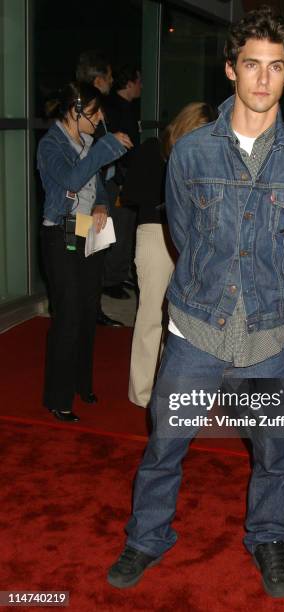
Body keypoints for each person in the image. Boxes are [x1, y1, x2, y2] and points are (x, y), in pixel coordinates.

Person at [107, 7, 284, 599]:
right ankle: (148, 537)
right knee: (165, 445)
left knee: (273, 455)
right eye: (251, 65)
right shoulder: (193, 154)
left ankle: (270, 536)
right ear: (231, 70)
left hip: (265, 338)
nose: (262, 78)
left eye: (275, 67)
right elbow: (182, 232)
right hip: (195, 332)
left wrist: (264, 289)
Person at [38, 81, 132, 422]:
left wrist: (101, 205)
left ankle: (81, 383)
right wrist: (105, 147)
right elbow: (72, 180)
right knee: (68, 315)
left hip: (87, 228)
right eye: (93, 113)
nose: (99, 118)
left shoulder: (90, 141)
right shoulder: (51, 145)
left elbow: (99, 186)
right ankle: (57, 397)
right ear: (74, 112)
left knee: (89, 307)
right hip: (60, 231)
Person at [122, 102, 217, 409]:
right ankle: (142, 393)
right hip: (154, 233)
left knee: (181, 319)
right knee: (151, 315)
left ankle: (169, 390)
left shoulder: (202, 158)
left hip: (190, 240)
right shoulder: (153, 149)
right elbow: (133, 193)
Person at [76, 50, 132, 325]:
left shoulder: (96, 109)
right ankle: (86, 309)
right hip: (83, 197)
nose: (112, 80)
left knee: (97, 252)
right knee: (83, 254)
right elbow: (82, 160)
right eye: (109, 76)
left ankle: (91, 307)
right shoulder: (81, 114)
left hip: (101, 188)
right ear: (98, 80)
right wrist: (110, 144)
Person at [101, 64, 143, 300]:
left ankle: (116, 275)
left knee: (125, 229)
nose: (141, 86)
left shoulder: (126, 108)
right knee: (117, 229)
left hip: (125, 179)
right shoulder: (115, 110)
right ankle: (110, 279)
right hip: (117, 180)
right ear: (129, 83)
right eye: (139, 80)